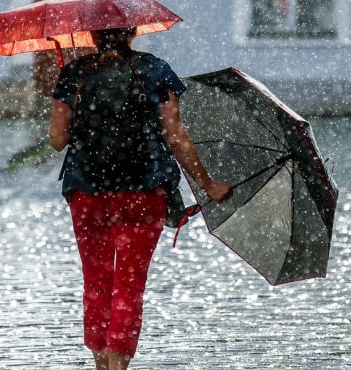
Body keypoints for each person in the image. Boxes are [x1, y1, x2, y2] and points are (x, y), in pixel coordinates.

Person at [48, 27, 232, 370]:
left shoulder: (74, 73)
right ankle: (118, 366)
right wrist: (207, 184)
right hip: (144, 191)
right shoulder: (154, 69)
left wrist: (80, 116)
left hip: (87, 192)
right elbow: (176, 136)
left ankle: (101, 364)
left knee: (96, 282)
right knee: (129, 287)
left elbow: (58, 140)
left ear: (92, 35)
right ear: (133, 32)